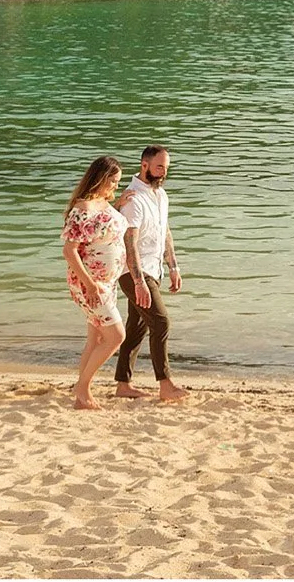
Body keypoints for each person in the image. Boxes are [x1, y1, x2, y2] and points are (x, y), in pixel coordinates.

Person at [113, 143, 187, 403]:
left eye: (166, 168)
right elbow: (129, 242)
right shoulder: (133, 199)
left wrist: (173, 266)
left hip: (153, 270)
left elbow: (165, 232)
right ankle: (165, 385)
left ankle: (123, 384)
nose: (163, 172)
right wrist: (138, 281)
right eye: (159, 167)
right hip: (134, 272)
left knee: (137, 327)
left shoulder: (161, 195)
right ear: (144, 165)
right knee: (161, 322)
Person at [60, 154, 128, 410]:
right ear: (100, 178)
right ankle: (83, 387)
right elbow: (69, 251)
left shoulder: (102, 203)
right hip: (90, 285)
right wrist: (90, 284)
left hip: (106, 283)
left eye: (118, 181)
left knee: (97, 339)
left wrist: (118, 204)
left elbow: (105, 229)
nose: (116, 186)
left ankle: (82, 396)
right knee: (116, 336)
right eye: (113, 181)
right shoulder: (82, 209)